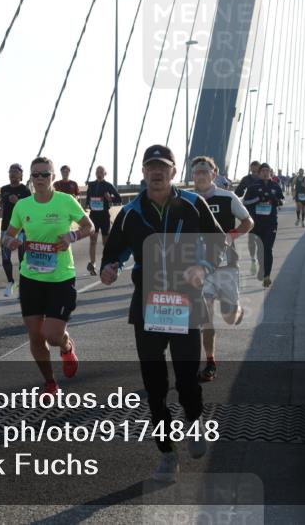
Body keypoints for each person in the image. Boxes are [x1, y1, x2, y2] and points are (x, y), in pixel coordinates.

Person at [100, 145, 228, 483]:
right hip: (148, 305)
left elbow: (218, 243)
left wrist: (202, 266)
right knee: (154, 386)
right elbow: (112, 254)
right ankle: (167, 454)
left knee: (187, 379)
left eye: (163, 167)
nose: (156, 173)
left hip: (186, 301)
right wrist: (109, 268)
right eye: (150, 167)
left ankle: (195, 421)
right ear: (143, 173)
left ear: (173, 172)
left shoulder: (193, 204)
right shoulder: (129, 213)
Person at [3, 157, 94, 395]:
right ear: (30, 179)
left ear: (53, 177)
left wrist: (72, 237)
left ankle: (65, 346)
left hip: (61, 278)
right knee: (35, 335)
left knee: (52, 336)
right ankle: (50, 382)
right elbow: (8, 234)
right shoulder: (23, 206)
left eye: (45, 174)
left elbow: (89, 226)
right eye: (36, 175)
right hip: (31, 277)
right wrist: (11, 241)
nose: (40, 179)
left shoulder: (66, 201)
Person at [191, 156, 253, 383]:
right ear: (192, 175)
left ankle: (237, 312)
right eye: (197, 172)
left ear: (214, 174)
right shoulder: (189, 200)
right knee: (206, 317)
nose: (201, 175)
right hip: (201, 267)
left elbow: (248, 222)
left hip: (227, 264)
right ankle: (210, 362)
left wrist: (228, 237)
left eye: (205, 171)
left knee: (228, 317)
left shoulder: (228, 198)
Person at [242, 162, 284, 287]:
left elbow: (282, 201)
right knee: (260, 249)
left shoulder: (275, 186)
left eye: (267, 170)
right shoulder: (253, 187)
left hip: (271, 222)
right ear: (259, 173)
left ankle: (267, 276)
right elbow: (245, 202)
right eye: (263, 171)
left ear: (270, 172)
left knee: (268, 249)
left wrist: (275, 199)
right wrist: (257, 200)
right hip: (257, 223)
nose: (265, 173)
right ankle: (262, 268)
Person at [0, 164, 32, 298]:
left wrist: (18, 201)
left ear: (21, 175)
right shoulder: (4, 189)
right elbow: (2, 200)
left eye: (16, 172)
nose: (13, 174)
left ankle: (22, 286)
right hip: (6, 227)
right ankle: (10, 282)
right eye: (11, 171)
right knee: (5, 258)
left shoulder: (25, 190)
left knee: (22, 259)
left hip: (21, 229)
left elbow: (30, 208)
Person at [85, 165, 121, 276]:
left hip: (104, 216)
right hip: (94, 215)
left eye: (101, 171)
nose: (99, 173)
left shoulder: (108, 185)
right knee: (93, 240)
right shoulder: (91, 184)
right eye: (97, 171)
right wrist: (86, 205)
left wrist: (110, 199)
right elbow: (88, 197)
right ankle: (93, 264)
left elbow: (118, 198)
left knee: (105, 242)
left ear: (105, 174)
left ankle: (106, 262)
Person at [234, 161, 261, 275]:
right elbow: (237, 193)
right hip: (250, 212)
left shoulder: (264, 178)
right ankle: (253, 260)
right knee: (252, 238)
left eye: (256, 171)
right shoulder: (246, 179)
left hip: (263, 213)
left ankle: (262, 260)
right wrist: (241, 191)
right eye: (252, 171)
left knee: (262, 239)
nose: (254, 173)